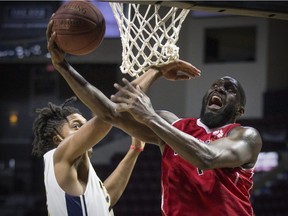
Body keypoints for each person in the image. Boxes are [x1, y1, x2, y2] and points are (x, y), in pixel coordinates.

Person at [47, 16, 262, 215]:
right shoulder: (172, 124)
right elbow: (110, 113)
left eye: (230, 89)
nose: (219, 89)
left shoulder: (246, 137)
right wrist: (63, 66)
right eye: (215, 85)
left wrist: (149, 116)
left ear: (239, 111)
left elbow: (207, 157)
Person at [31, 96, 145, 216]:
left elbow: (103, 200)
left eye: (86, 126)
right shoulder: (58, 156)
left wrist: (135, 150)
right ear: (58, 140)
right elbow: (108, 115)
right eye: (76, 126)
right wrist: (148, 79)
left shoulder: (77, 171)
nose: (84, 130)